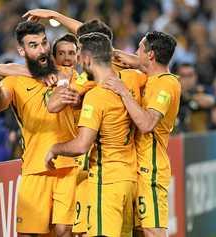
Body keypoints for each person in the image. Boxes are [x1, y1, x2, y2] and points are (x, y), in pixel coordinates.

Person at [0, 21, 82, 237]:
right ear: (21, 50)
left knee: (66, 231)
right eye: (33, 45)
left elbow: (89, 38)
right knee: (29, 234)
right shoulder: (13, 81)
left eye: (44, 43)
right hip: (35, 166)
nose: (42, 49)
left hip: (69, 164)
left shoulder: (65, 72)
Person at [45, 32, 147, 237]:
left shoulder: (96, 96)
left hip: (106, 181)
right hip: (129, 179)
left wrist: (55, 149)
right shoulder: (132, 80)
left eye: (79, 55)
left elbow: (82, 145)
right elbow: (152, 69)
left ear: (87, 59)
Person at [104, 31, 181, 237]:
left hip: (151, 169)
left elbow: (147, 124)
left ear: (151, 55)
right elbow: (99, 45)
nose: (135, 52)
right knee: (136, 232)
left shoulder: (167, 83)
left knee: (152, 232)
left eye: (139, 47)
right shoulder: (146, 76)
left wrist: (123, 91)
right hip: (133, 168)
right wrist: (55, 15)